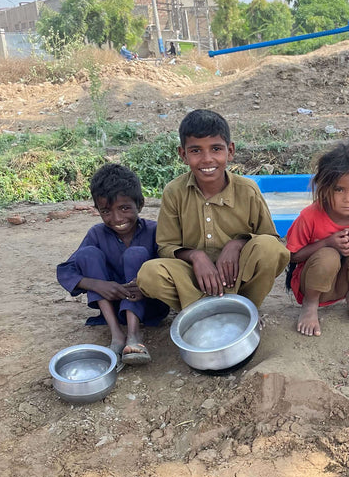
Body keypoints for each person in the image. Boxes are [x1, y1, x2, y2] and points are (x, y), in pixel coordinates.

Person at [137, 109, 289, 311]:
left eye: (216, 149)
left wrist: (238, 244)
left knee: (271, 249)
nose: (207, 159)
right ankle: (201, 310)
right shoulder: (174, 192)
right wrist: (196, 257)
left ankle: (246, 309)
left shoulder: (248, 190)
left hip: (239, 276)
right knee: (149, 274)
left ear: (230, 151)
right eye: (196, 151)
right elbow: (166, 246)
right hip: (194, 278)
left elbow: (271, 238)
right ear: (183, 154)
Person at [56, 163, 169, 365]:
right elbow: (66, 270)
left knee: (136, 254)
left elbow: (172, 264)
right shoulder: (97, 234)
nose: (117, 219)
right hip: (112, 307)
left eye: (124, 208)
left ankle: (134, 335)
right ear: (97, 210)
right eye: (106, 211)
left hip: (148, 306)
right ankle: (117, 335)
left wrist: (148, 285)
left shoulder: (154, 231)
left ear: (140, 204)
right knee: (87, 254)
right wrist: (97, 285)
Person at [285, 142, 349, 337]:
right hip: (310, 286)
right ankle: (310, 307)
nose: (348, 198)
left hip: (342, 286)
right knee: (328, 255)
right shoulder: (309, 216)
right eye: (339, 190)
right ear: (325, 188)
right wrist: (327, 243)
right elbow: (291, 256)